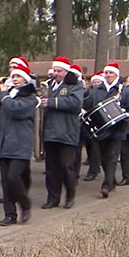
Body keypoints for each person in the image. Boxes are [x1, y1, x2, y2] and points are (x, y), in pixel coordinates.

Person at [0, 62, 38, 225]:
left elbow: (15, 110)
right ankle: (9, 214)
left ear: (25, 79)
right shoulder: (8, 95)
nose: (15, 79)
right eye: (13, 76)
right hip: (5, 142)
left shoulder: (30, 97)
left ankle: (25, 204)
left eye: (18, 76)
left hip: (20, 142)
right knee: (5, 181)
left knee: (13, 177)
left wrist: (3, 96)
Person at [83, 62, 129, 198]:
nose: (107, 75)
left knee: (112, 156)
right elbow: (88, 106)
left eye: (110, 73)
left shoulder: (124, 91)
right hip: (101, 129)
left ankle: (106, 185)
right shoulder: (97, 90)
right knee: (103, 157)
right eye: (106, 73)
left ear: (116, 75)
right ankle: (111, 180)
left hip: (118, 129)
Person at [41, 57, 83, 209]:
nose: (56, 73)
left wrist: (51, 102)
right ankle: (53, 198)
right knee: (51, 168)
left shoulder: (75, 84)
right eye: (55, 71)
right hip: (50, 132)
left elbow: (76, 103)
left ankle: (70, 196)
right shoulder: (49, 84)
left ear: (66, 71)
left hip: (67, 132)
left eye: (59, 71)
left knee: (66, 166)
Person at [82, 72, 104, 181]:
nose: (96, 84)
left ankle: (93, 170)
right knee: (89, 146)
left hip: (100, 122)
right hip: (88, 122)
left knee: (96, 147)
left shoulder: (104, 92)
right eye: (94, 82)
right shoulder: (89, 93)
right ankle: (93, 165)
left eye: (98, 82)